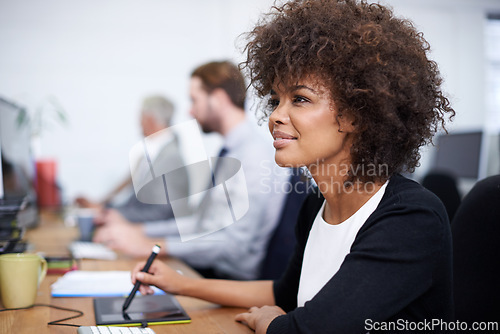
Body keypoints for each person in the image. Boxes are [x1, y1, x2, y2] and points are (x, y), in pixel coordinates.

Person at [129, 0, 456, 333]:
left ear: (357, 113)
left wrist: (272, 322)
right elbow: (283, 292)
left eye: (299, 99)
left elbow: (308, 328)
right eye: (275, 100)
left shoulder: (410, 218)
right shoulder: (316, 203)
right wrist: (180, 283)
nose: (275, 116)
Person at [94, 61, 289, 280]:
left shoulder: (254, 156)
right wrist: (139, 233)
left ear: (218, 100)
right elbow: (200, 223)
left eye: (194, 100)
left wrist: (154, 245)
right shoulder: (230, 152)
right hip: (207, 270)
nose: (190, 110)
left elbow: (234, 245)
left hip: (230, 279)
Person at [76, 95, 190, 222]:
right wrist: (104, 208)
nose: (139, 123)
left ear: (150, 119)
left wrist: (110, 214)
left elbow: (163, 212)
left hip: (157, 238)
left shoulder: (170, 159)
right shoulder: (151, 154)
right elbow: (136, 203)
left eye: (141, 116)